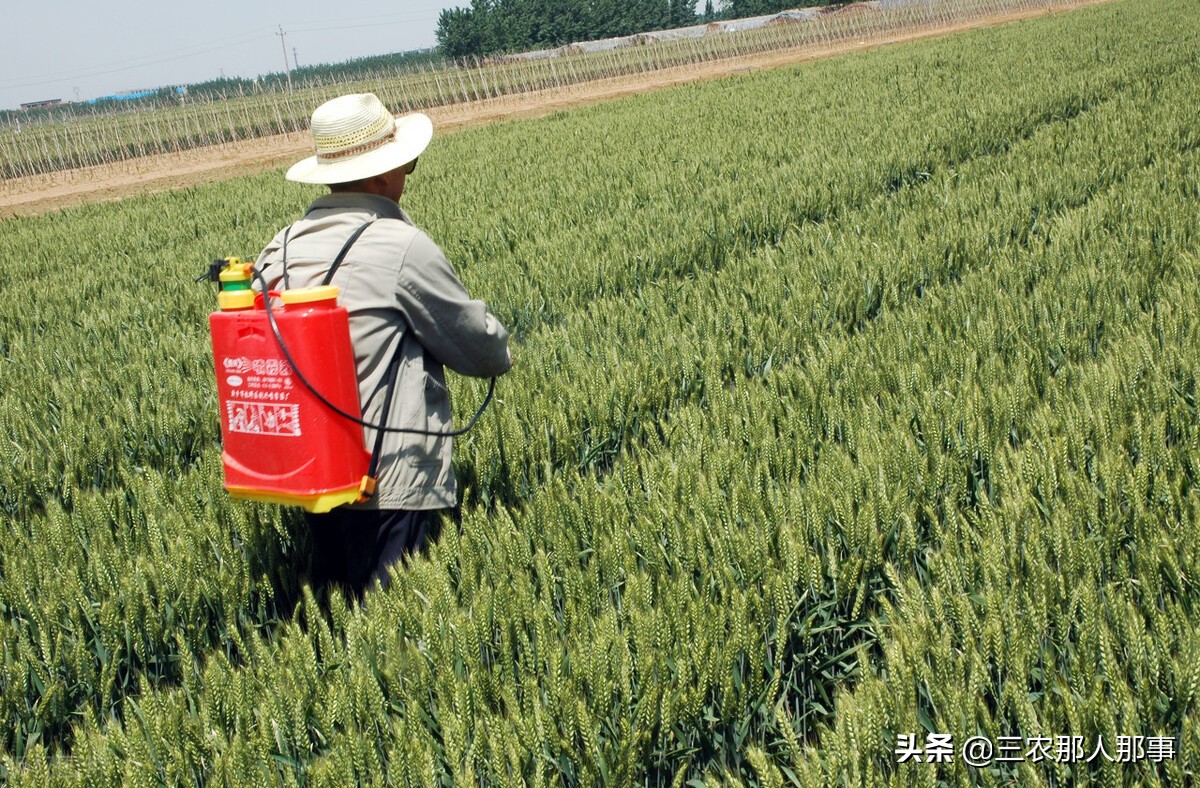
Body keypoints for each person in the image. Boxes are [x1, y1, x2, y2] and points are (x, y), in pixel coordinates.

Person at [254, 93, 512, 599]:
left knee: (343, 623)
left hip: (317, 477)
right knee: (403, 633)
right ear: (380, 175)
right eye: (404, 164)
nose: (408, 173)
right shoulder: (399, 245)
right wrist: (502, 346)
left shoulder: (279, 246)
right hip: (392, 480)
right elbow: (475, 348)